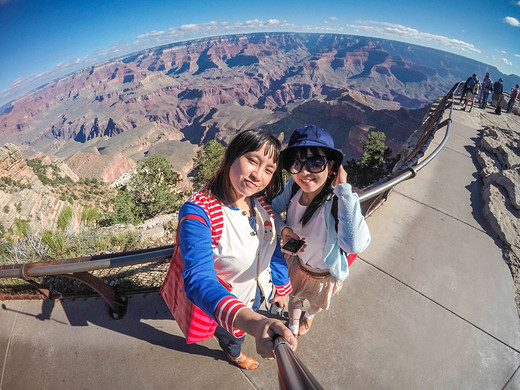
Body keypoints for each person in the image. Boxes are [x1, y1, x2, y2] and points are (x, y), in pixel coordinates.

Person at [175, 129, 296, 370]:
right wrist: (252, 323)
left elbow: (271, 248)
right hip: (229, 304)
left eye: (268, 170)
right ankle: (234, 354)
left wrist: (281, 288)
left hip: (259, 292)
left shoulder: (259, 202)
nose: (258, 175)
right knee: (233, 335)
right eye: (252, 160)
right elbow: (198, 279)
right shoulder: (200, 212)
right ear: (232, 155)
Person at [272, 125, 371, 338]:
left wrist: (343, 188)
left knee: (316, 305)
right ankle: (293, 326)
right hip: (297, 264)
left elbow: (355, 244)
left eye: (315, 163)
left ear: (331, 165)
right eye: (295, 164)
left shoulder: (338, 202)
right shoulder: (294, 186)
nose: (304, 173)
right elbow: (271, 209)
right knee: (294, 298)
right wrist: (284, 230)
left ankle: (309, 316)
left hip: (324, 276)